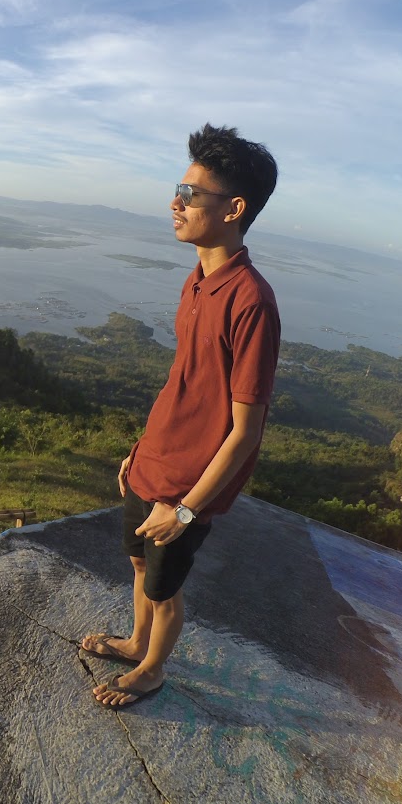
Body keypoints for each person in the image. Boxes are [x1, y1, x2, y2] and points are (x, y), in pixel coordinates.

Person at [82, 123, 281, 708]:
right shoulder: (198, 281)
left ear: (233, 209)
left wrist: (189, 509)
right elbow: (184, 385)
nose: (176, 202)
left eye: (190, 193)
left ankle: (152, 670)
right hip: (153, 464)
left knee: (165, 589)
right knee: (139, 565)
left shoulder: (251, 300)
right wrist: (140, 451)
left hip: (186, 486)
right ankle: (135, 642)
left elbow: (246, 431)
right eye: (179, 189)